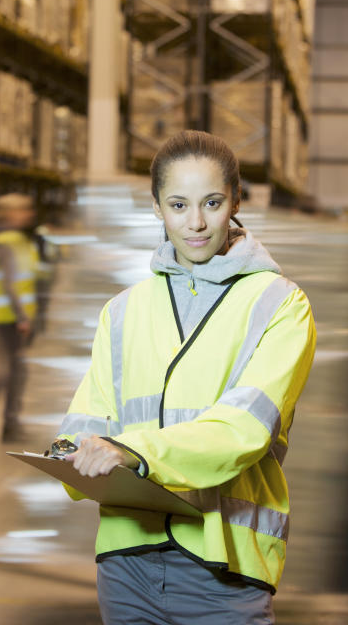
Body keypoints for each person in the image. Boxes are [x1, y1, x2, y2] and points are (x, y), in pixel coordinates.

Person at [54, 130, 317, 624]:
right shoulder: (123, 311)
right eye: (178, 205)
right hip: (126, 562)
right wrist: (69, 455)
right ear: (156, 207)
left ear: (235, 201)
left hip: (222, 568)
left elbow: (244, 430)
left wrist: (132, 452)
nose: (195, 223)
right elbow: (86, 417)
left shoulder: (280, 304)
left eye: (212, 203)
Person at [0, 193, 40, 442]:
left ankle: (10, 423)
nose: (28, 214)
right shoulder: (6, 241)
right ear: (9, 213)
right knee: (13, 373)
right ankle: (8, 425)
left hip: (5, 315)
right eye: (23, 209)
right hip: (5, 317)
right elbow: (9, 283)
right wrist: (22, 317)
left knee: (14, 371)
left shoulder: (11, 239)